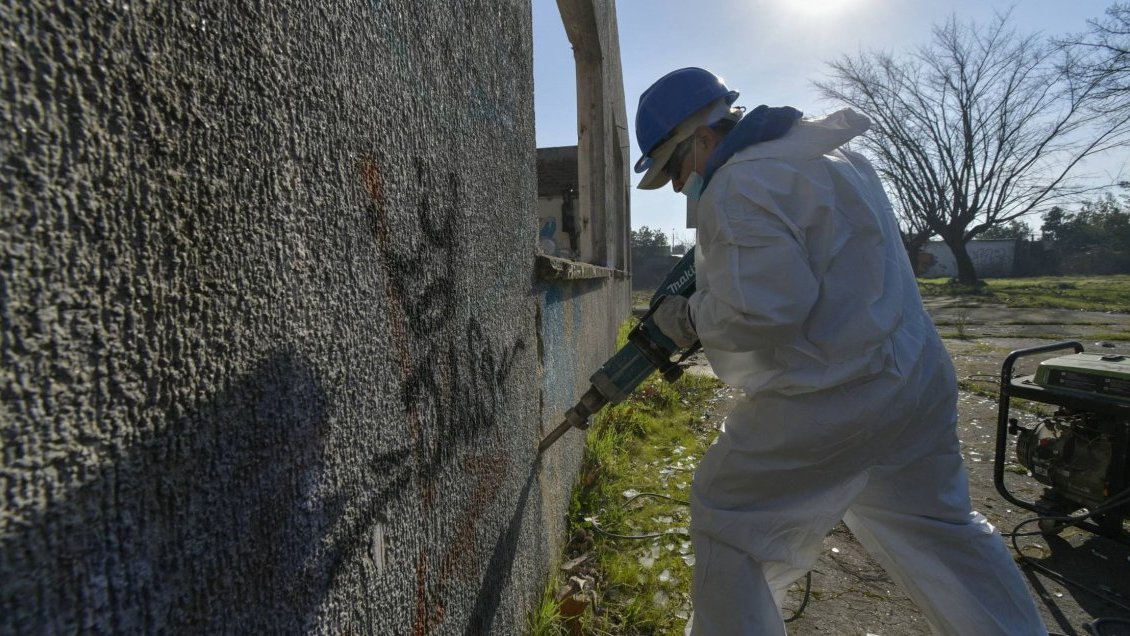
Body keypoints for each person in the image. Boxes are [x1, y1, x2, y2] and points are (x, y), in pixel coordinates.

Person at [638, 67, 1047, 635]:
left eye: (677, 172)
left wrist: (687, 319)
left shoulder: (741, 183)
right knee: (938, 530)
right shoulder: (832, 157)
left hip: (833, 395)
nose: (684, 189)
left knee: (728, 518)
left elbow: (763, 311)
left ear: (701, 139)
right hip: (915, 379)